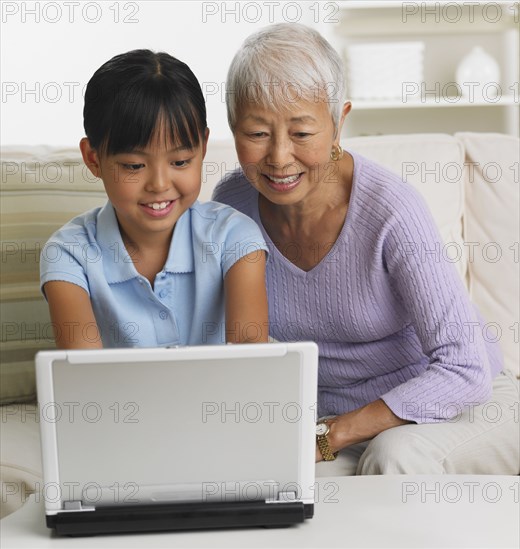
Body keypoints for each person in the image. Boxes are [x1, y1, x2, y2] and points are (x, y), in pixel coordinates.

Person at [212, 23, 519, 474]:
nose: (278, 157)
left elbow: (465, 367)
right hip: (336, 421)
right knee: (257, 480)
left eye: (301, 133)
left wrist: (328, 435)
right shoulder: (231, 205)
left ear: (339, 122)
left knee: (396, 456)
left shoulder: (392, 211)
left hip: (465, 402)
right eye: (257, 133)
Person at [40, 49, 268, 349]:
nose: (160, 185)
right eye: (134, 166)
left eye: (181, 162)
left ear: (203, 147)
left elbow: (251, 361)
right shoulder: (69, 254)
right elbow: (84, 376)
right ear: (93, 159)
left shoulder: (235, 237)